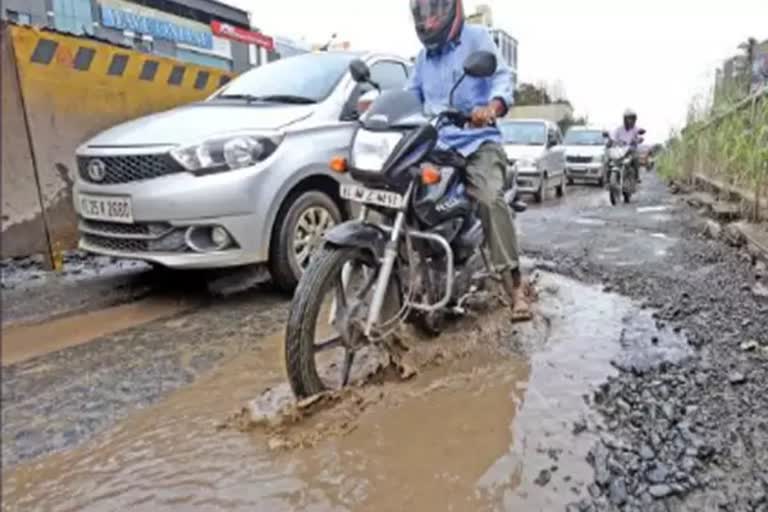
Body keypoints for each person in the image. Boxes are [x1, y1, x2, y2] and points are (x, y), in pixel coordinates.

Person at [405, 0, 532, 322]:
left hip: (477, 141)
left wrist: (492, 106)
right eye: (423, 13)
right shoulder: (423, 57)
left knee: (490, 199)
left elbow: (502, 78)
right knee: (401, 191)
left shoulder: (477, 39)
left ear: (450, 9)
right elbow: (411, 95)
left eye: (434, 11)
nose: (429, 20)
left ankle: (515, 286)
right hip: (435, 142)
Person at [612, 109, 643, 181]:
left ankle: (637, 176)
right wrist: (615, 142)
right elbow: (614, 138)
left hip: (631, 150)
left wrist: (638, 140)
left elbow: (638, 136)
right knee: (610, 159)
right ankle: (607, 179)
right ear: (625, 119)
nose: (630, 120)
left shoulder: (635, 129)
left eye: (632, 118)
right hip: (620, 149)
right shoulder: (619, 129)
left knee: (635, 158)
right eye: (629, 118)